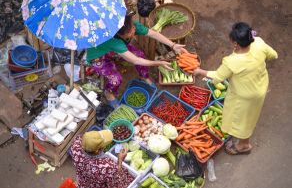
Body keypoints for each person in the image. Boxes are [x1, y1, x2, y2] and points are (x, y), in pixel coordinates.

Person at [193, 22, 278, 155]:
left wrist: (199, 72)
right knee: (244, 116)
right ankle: (237, 136)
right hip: (261, 86)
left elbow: (217, 77)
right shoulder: (259, 43)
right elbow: (273, 55)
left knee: (243, 120)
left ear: (235, 43)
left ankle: (244, 145)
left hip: (246, 96)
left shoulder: (232, 61)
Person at [86, 15, 185, 108]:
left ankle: (144, 77)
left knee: (140, 55)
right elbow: (136, 60)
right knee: (116, 79)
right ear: (119, 34)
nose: (133, 30)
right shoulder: (114, 42)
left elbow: (153, 34)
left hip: (116, 50)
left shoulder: (131, 26)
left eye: (133, 27)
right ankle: (108, 93)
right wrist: (159, 63)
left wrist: (172, 45)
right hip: (99, 57)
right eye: (129, 31)